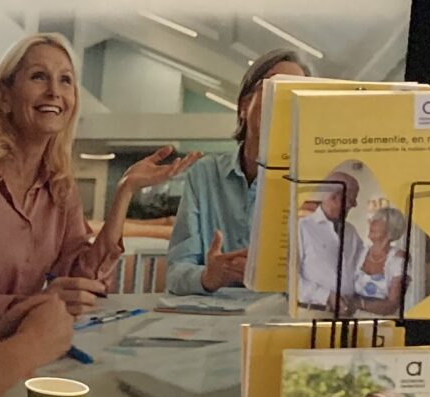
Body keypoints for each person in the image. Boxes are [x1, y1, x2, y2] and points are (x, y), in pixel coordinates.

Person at [0, 33, 199, 397]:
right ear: (4, 97)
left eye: (65, 80)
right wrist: (31, 304)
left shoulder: (61, 187)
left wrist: (124, 191)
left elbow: (83, 280)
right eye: (38, 77)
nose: (54, 92)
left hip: (35, 363)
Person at [164, 50, 308, 295]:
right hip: (214, 312)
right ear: (243, 106)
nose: (285, 100)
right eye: (275, 87)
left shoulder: (313, 180)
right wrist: (207, 277)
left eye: (296, 92)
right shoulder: (205, 174)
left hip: (278, 312)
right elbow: (175, 273)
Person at [290, 173, 365, 316]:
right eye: (351, 199)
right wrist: (326, 296)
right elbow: (291, 280)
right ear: (334, 197)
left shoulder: (351, 232)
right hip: (314, 312)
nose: (354, 204)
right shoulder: (302, 228)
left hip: (347, 314)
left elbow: (361, 268)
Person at [350, 203, 410, 315]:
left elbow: (392, 305)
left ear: (391, 229)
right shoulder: (360, 253)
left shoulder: (398, 260)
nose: (371, 223)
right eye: (372, 220)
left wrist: (359, 304)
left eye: (378, 221)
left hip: (380, 319)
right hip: (350, 316)